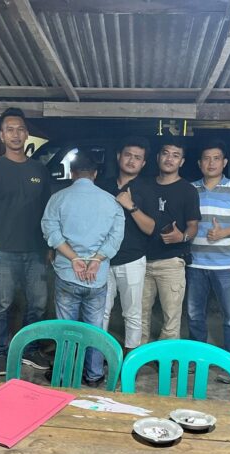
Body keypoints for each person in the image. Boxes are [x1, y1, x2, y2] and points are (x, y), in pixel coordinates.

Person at [41, 150, 124, 387]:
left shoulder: (58, 198)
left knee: (66, 327)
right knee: (94, 328)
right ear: (95, 174)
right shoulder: (111, 201)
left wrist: (74, 258)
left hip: (68, 273)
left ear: (72, 173)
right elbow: (115, 238)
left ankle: (64, 373)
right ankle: (94, 374)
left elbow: (50, 231)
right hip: (97, 276)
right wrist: (96, 260)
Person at [0, 108, 51, 377]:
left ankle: (30, 349)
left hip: (36, 250)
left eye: (20, 129)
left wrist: (49, 246)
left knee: (38, 303)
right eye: (9, 129)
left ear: (26, 133)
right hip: (3, 251)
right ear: (2, 135)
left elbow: (47, 212)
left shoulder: (39, 170)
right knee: (2, 304)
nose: (15, 134)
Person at [187, 140, 230, 382]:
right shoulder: (190, 189)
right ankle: (197, 360)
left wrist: (223, 233)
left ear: (224, 162)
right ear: (199, 163)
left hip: (226, 264)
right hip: (195, 262)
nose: (211, 163)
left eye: (216, 158)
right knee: (194, 315)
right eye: (206, 158)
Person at [99, 137, 156, 354]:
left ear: (143, 163)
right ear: (118, 156)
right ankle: (97, 356)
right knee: (101, 310)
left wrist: (130, 206)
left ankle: (130, 359)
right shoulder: (103, 186)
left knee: (132, 313)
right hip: (103, 258)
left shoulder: (148, 188)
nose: (132, 161)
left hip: (132, 259)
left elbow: (151, 228)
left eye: (137, 158)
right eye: (128, 155)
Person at [141, 137, 200, 343]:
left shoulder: (188, 190)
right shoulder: (144, 185)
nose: (169, 159)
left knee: (171, 319)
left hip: (172, 262)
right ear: (158, 157)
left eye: (176, 156)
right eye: (165, 153)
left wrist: (181, 236)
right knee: (139, 316)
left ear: (181, 162)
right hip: (142, 261)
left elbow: (193, 225)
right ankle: (139, 355)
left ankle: (166, 357)